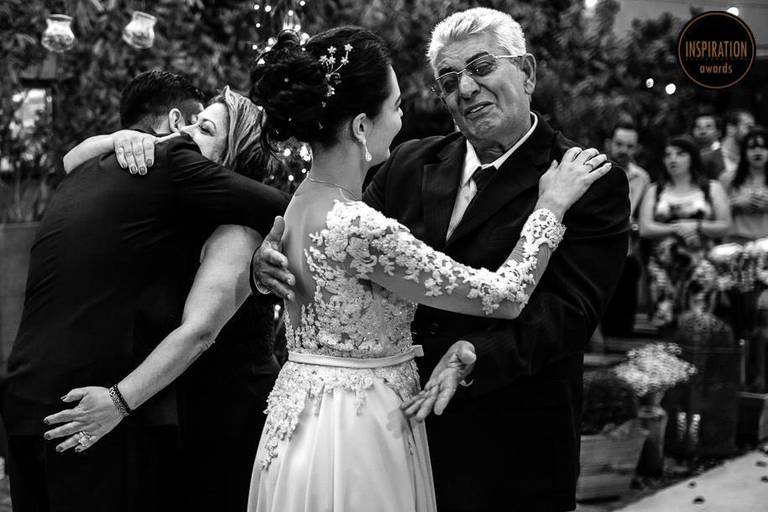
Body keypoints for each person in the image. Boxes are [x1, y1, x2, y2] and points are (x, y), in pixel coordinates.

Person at [253, 9, 630, 511]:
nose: (466, 88)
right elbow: (337, 254)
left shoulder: (582, 178)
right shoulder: (407, 162)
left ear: (529, 72)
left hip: (508, 447)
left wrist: (477, 355)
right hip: (382, 434)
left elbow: (572, 311)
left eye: (480, 67)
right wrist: (267, 263)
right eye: (449, 79)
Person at [1, 71, 288, 512]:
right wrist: (117, 139)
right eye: (189, 123)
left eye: (204, 128)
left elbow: (200, 329)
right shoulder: (165, 184)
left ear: (235, 156)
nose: (184, 133)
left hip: (218, 416)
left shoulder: (229, 221)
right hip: (111, 407)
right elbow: (71, 159)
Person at [638, 135, 731, 329]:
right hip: (663, 268)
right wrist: (677, 228)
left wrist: (696, 226)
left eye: (680, 154)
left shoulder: (712, 188)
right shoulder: (655, 190)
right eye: (668, 155)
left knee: (698, 323)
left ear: (692, 157)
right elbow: (645, 228)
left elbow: (724, 225)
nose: (673, 159)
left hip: (701, 265)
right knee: (666, 324)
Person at [601, 121, 649, 336]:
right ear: (609, 144)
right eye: (619, 144)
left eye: (630, 146)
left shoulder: (642, 178)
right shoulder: (591, 167)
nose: (624, 150)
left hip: (626, 251)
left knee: (622, 324)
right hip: (596, 249)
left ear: (637, 149)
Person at [725, 127, 768, 242]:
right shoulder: (728, 178)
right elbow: (713, 215)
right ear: (744, 151)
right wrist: (735, 203)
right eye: (752, 148)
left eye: (763, 147)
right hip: (737, 241)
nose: (758, 152)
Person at [721, 109, 756, 183]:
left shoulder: (751, 158)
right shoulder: (711, 157)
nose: (753, 132)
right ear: (731, 129)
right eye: (749, 127)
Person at [692, 109, 726, 179]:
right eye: (698, 127)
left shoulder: (725, 154)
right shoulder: (689, 155)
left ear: (719, 132)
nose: (703, 131)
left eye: (708, 126)